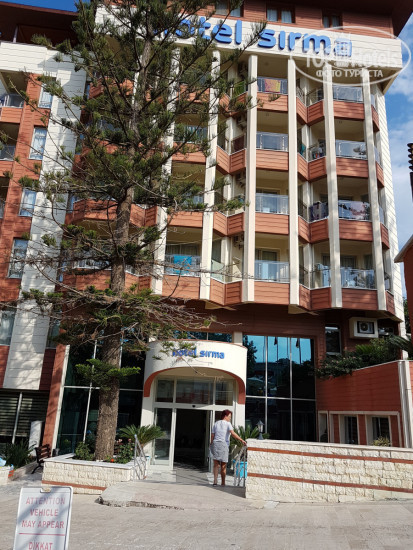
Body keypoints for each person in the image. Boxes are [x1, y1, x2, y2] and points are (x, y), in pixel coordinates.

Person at [209, 409, 246, 487]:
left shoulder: (216, 423)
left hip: (215, 444)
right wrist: (241, 440)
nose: (230, 418)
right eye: (229, 416)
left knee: (216, 464)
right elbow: (233, 433)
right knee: (223, 465)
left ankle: (215, 481)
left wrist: (211, 444)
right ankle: (223, 483)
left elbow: (212, 435)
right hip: (223, 444)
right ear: (225, 416)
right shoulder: (228, 424)